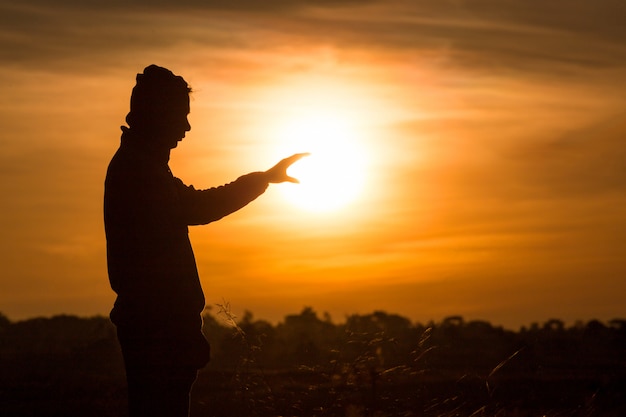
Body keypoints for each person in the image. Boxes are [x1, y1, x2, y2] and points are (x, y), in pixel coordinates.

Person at [104, 64, 307, 417]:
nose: (186, 127)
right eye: (180, 116)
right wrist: (262, 180)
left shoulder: (145, 167)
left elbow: (192, 205)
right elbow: (196, 207)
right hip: (157, 332)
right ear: (156, 113)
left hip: (159, 330)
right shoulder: (140, 171)